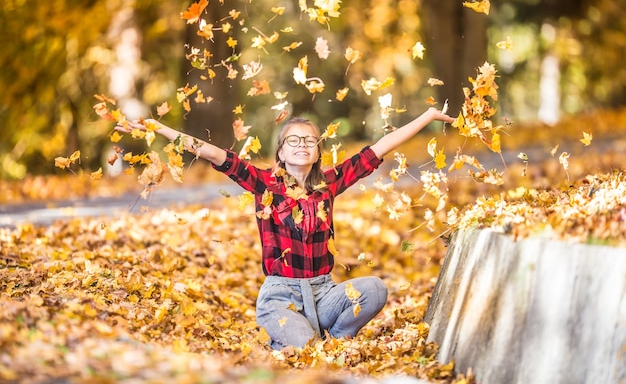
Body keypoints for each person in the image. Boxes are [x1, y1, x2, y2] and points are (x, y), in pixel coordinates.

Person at [116, 107, 454, 349]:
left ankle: (334, 341)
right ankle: (296, 341)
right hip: (281, 296)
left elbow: (380, 147)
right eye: (294, 141)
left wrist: (427, 117)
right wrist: (159, 128)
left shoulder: (329, 184)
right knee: (307, 354)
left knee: (376, 290)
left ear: (318, 150)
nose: (303, 145)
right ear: (280, 151)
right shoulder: (264, 184)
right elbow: (212, 153)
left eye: (309, 140)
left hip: (324, 293)